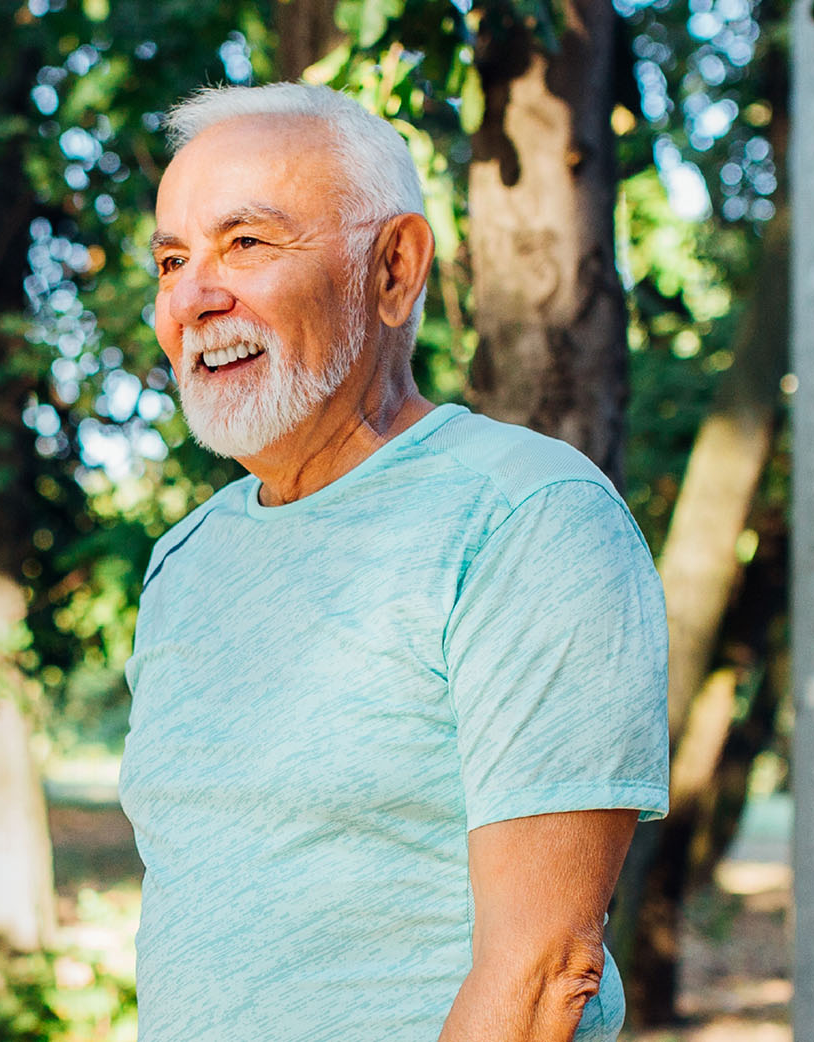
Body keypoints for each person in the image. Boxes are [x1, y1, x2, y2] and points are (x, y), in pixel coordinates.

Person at [119, 82, 670, 1041]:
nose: (195, 297)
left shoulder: (525, 518)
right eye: (173, 259)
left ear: (393, 269)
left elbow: (544, 972)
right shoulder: (186, 561)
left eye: (246, 243)